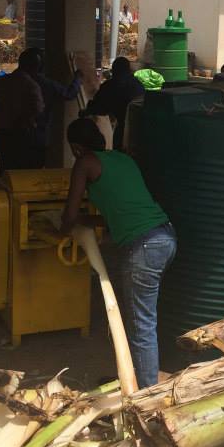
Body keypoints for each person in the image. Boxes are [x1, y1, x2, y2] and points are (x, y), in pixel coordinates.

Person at [60, 117, 176, 389]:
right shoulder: (123, 159)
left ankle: (147, 394)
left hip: (144, 247)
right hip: (165, 236)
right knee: (145, 318)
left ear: (76, 147)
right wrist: (89, 223)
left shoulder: (85, 162)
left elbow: (70, 213)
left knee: (141, 327)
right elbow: (128, 211)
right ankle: (140, 376)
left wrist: (62, 228)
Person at [0, 47, 84, 173]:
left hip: (4, 138)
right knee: (30, 175)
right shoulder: (41, 83)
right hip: (32, 140)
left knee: (6, 175)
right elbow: (69, 93)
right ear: (39, 66)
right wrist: (78, 78)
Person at [84, 56, 145, 151]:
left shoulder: (110, 86)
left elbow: (100, 108)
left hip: (123, 131)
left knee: (120, 155)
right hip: (141, 130)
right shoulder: (138, 84)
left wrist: (87, 111)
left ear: (113, 71)